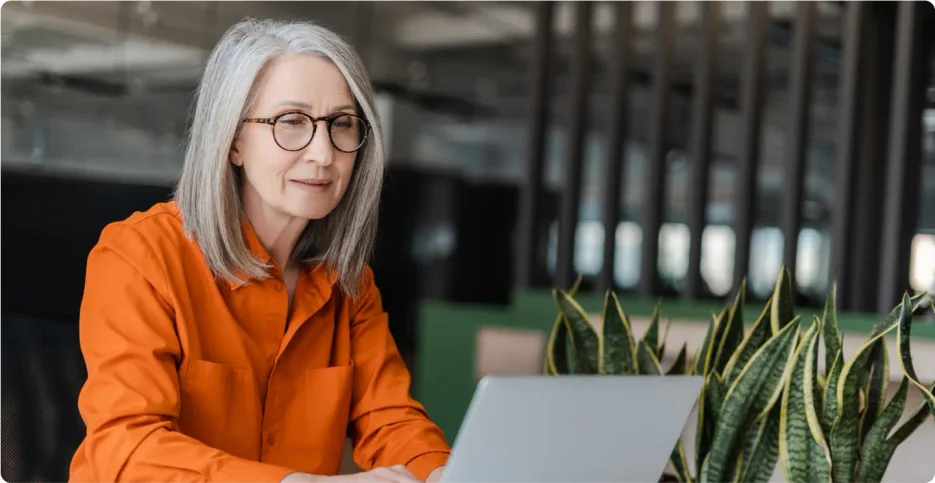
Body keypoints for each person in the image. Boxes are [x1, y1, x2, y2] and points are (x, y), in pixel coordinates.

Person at [69, 18, 450, 483]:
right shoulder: (139, 256)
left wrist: (446, 476)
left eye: (342, 125)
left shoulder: (351, 286)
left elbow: (394, 424)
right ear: (232, 141)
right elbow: (126, 447)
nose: (323, 153)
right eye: (291, 122)